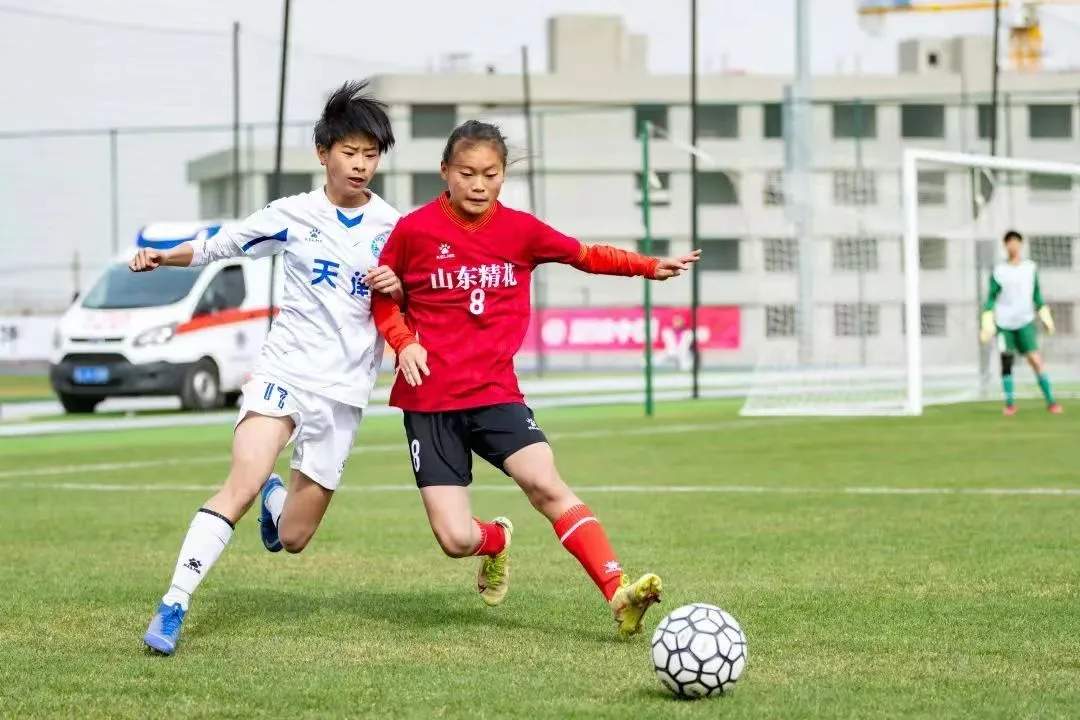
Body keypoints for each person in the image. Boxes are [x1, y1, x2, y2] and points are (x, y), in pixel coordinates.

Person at [372, 120, 701, 637]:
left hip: (495, 395)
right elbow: (384, 298)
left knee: (546, 485)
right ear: (445, 173)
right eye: (467, 173)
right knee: (456, 539)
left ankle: (618, 591)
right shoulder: (413, 231)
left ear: (503, 176)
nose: (479, 185)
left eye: (491, 174)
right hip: (429, 401)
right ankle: (496, 542)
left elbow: (585, 255)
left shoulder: (521, 230)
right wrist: (404, 341)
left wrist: (646, 265)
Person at [134, 81, 403, 654]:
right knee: (241, 482)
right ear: (322, 152)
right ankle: (173, 604)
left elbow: (416, 296)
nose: (359, 165)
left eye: (370, 154)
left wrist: (398, 285)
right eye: (349, 152)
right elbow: (218, 244)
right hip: (284, 373)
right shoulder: (292, 216)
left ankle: (276, 500)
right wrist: (164, 256)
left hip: (346, 391)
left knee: (294, 538)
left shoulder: (395, 229)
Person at [979, 229, 1062, 416]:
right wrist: (986, 320)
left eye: (1016, 242)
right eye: (1009, 242)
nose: (1013, 245)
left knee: (1035, 359)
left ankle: (1051, 401)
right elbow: (991, 297)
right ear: (1005, 245)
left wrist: (1045, 315)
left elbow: (1037, 295)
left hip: (1025, 321)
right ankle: (1010, 404)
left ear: (1021, 244)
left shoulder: (1030, 268)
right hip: (1004, 323)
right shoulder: (1000, 271)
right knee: (1006, 361)